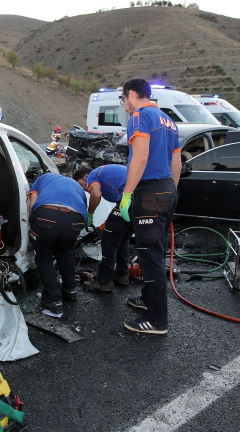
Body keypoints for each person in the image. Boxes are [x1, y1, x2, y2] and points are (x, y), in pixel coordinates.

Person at [119, 78, 181, 335]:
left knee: (150, 257)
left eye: (124, 100)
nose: (124, 105)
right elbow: (176, 163)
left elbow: (141, 157)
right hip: (167, 189)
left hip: (149, 193)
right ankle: (147, 299)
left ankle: (157, 321)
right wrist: (171, 192)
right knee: (153, 250)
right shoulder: (169, 121)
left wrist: (127, 194)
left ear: (132, 94)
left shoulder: (139, 116)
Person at [29, 173, 88, 315]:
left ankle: (53, 299)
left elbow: (32, 207)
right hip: (75, 219)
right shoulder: (75, 186)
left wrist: (35, 226)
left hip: (46, 215)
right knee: (66, 251)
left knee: (44, 256)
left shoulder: (40, 180)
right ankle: (70, 289)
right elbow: (83, 207)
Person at [73, 165, 132, 292]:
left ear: (85, 177)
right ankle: (122, 275)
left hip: (127, 202)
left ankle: (104, 282)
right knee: (123, 239)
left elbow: (96, 194)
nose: (84, 188)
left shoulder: (93, 174)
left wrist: (89, 214)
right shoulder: (106, 171)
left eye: (81, 184)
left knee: (108, 240)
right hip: (140, 201)